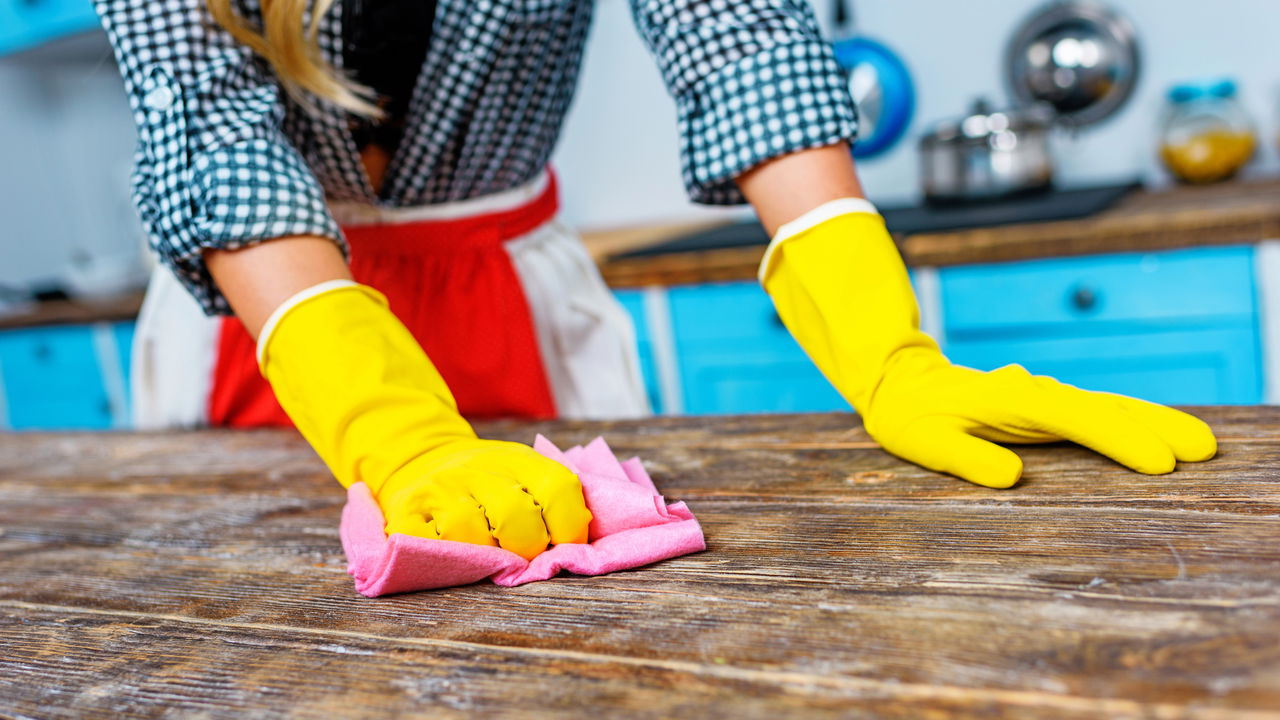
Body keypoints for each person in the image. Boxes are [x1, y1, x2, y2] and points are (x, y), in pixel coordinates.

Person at [95, 0, 1218, 561]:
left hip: (508, 295)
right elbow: (209, 136)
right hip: (278, 318)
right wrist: (398, 438)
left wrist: (885, 348)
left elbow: (739, 41)